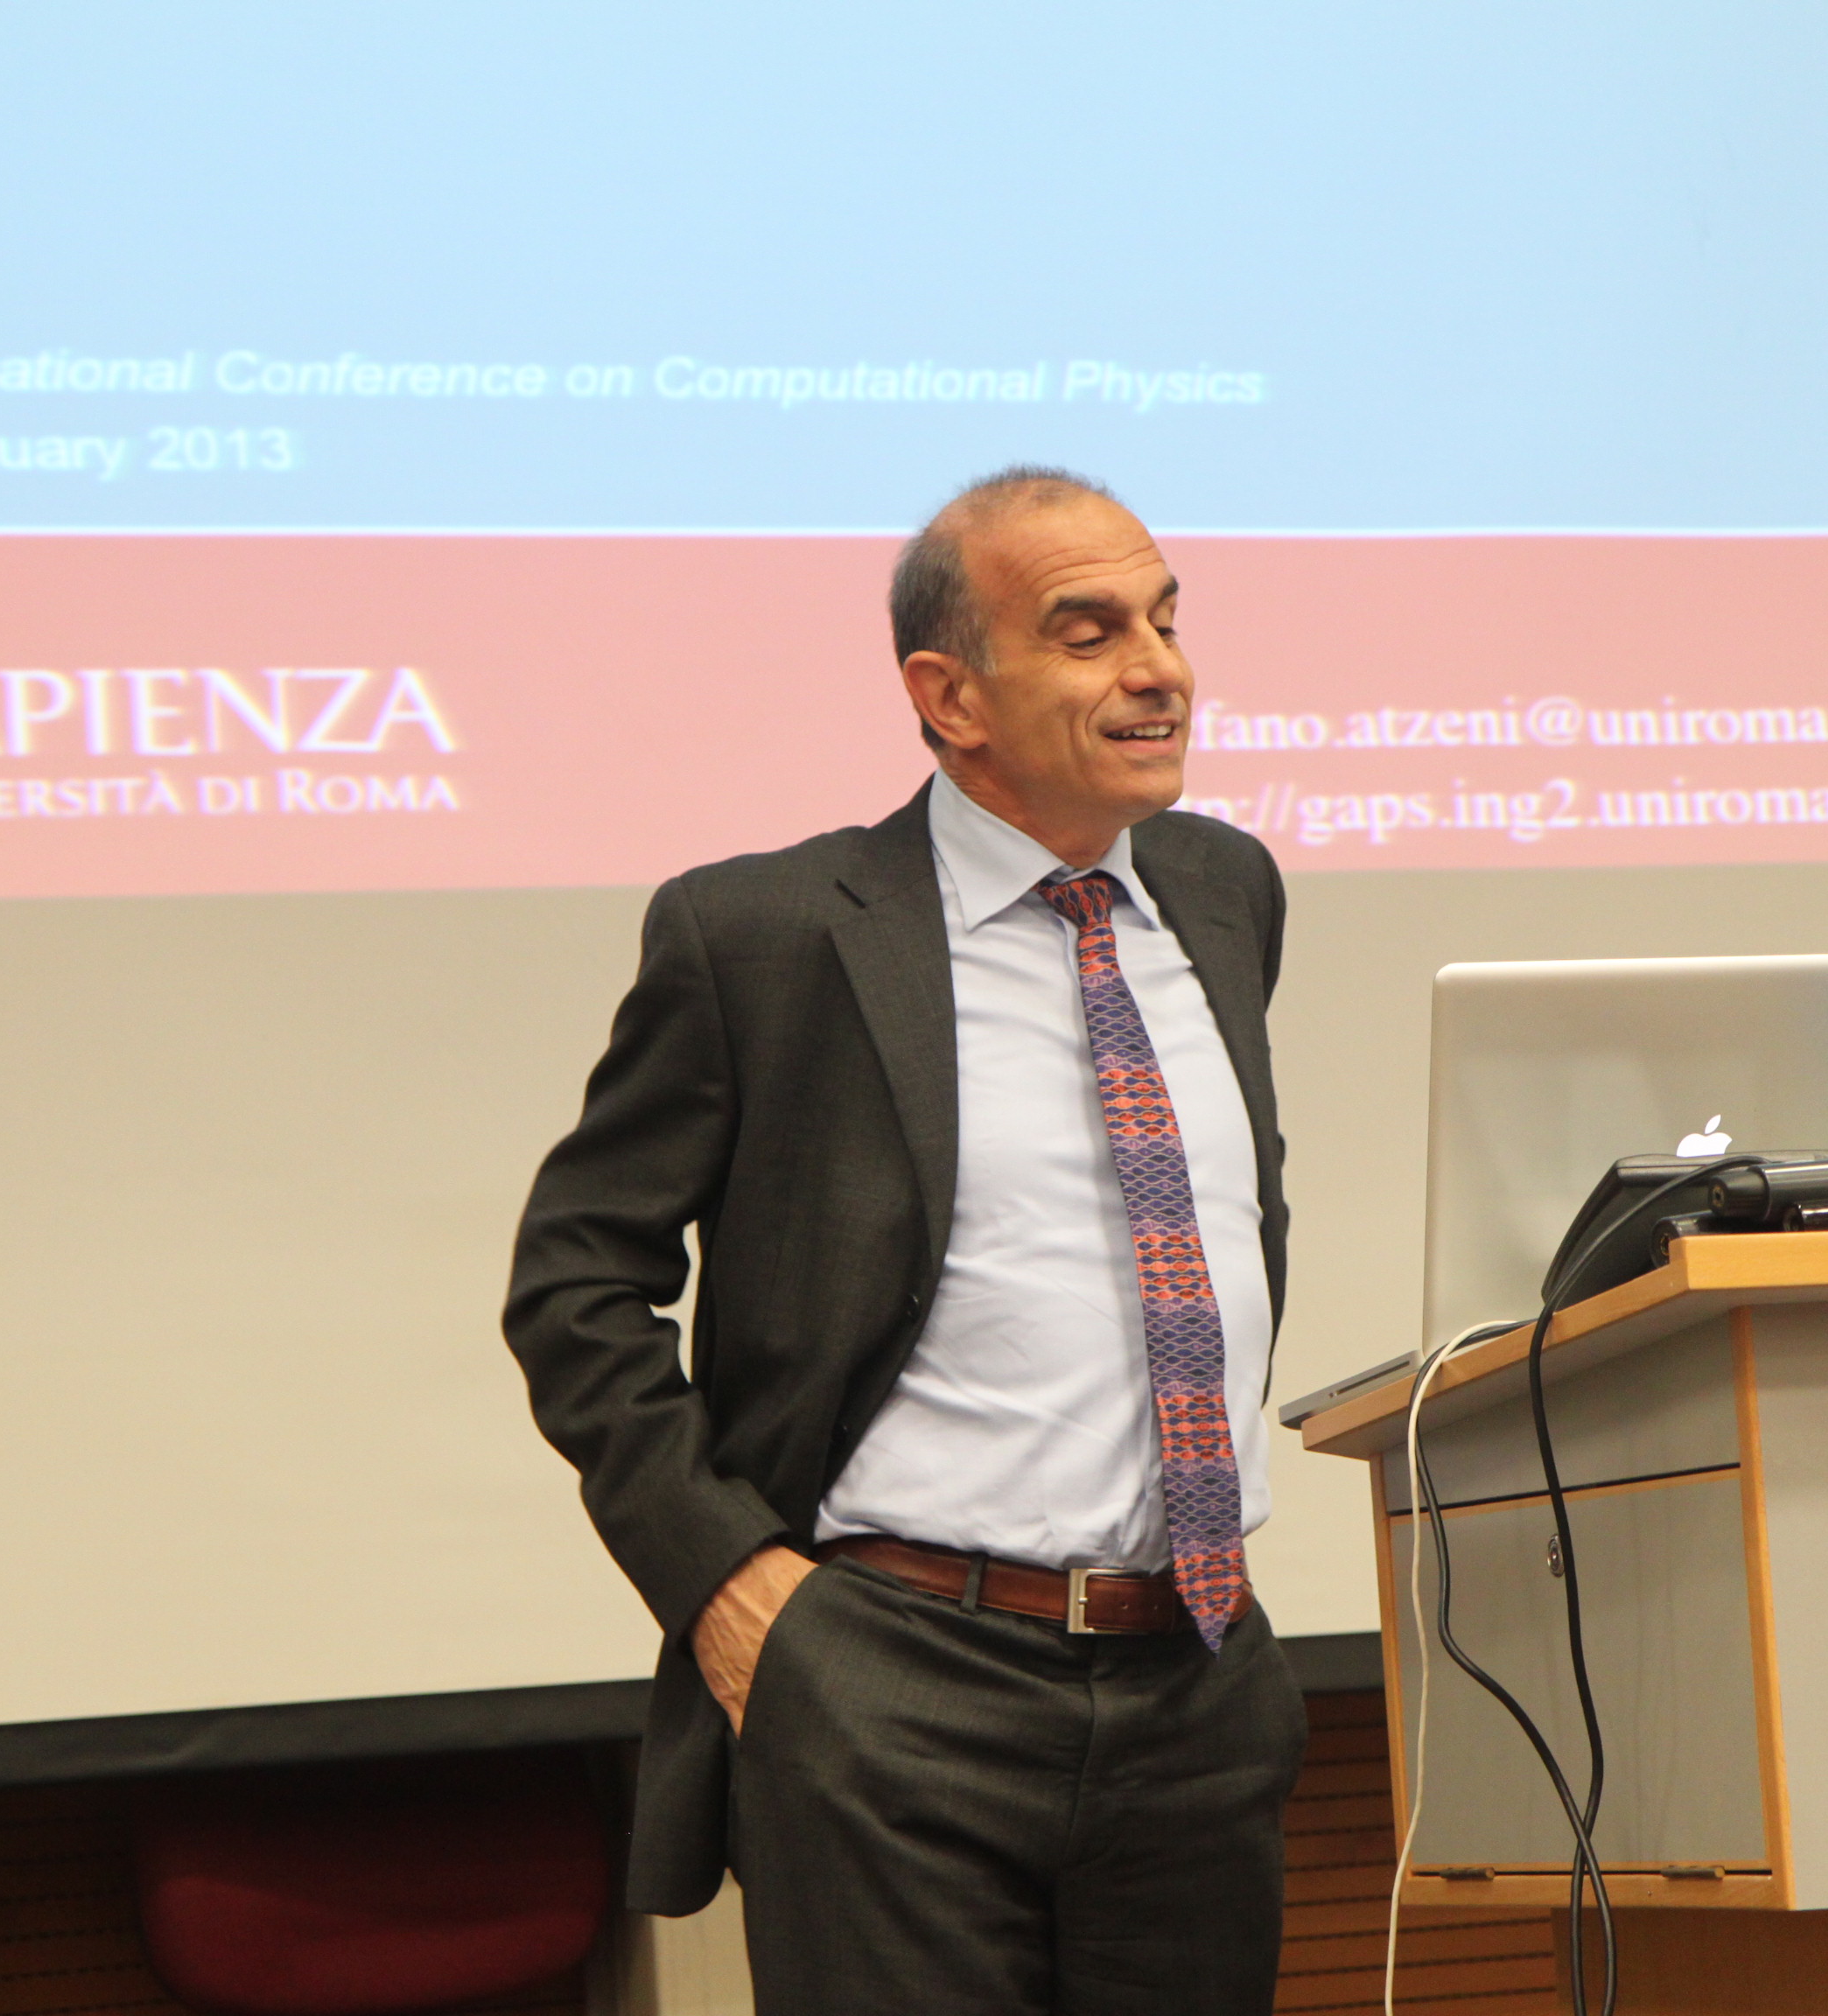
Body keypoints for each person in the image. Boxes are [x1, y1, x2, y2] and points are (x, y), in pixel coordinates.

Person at [503, 466, 1303, 2013]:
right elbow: (576, 1285)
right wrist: (729, 1584)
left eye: (1165, 619)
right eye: (1089, 633)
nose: (1159, 670)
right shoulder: (768, 936)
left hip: (1198, 1685)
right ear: (951, 697)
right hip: (897, 1688)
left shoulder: (1225, 893)